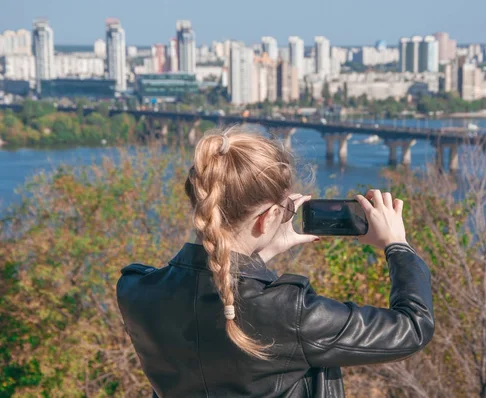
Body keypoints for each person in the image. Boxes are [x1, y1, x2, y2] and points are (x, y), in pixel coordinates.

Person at [116, 126, 434, 398]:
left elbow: (214, 307)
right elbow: (413, 327)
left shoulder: (135, 290)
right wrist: (397, 245)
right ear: (268, 218)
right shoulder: (290, 310)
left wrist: (259, 256)